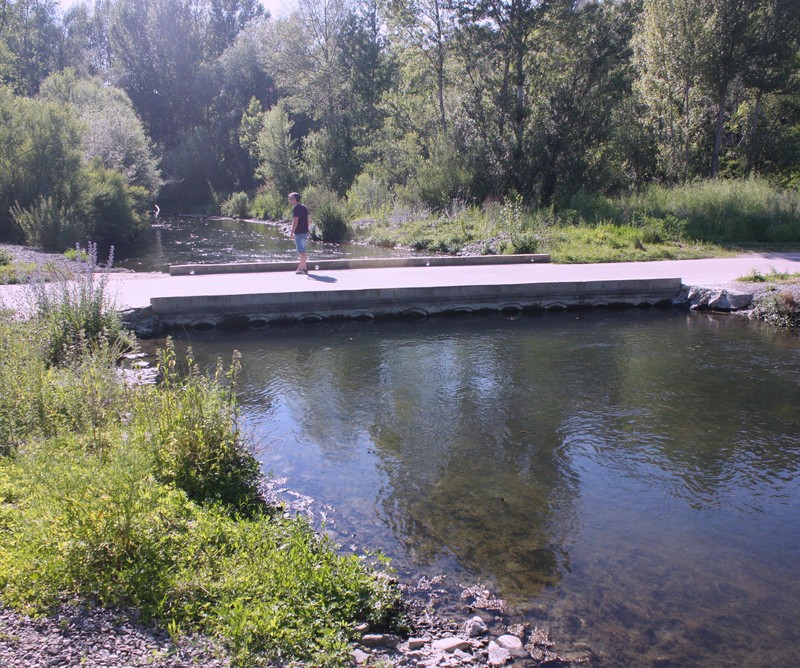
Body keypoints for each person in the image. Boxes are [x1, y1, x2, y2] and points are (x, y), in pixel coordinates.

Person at [289, 192, 310, 274]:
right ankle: (302, 268)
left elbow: (295, 222)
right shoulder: (304, 207)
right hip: (304, 232)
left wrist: (291, 233)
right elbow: (308, 219)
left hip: (299, 233)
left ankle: (303, 268)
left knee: (301, 252)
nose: (290, 201)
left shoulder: (296, 209)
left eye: (291, 199)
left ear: (295, 199)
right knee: (302, 251)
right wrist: (307, 229)